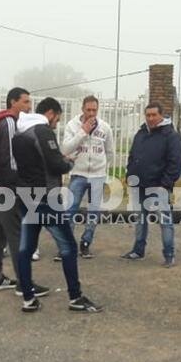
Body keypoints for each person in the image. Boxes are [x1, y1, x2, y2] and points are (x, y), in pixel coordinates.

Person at [12, 97, 103, 314]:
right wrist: (69, 163)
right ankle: (75, 297)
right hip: (46, 198)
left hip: (25, 196)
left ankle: (28, 299)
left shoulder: (19, 133)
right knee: (68, 247)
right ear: (51, 113)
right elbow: (55, 164)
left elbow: (36, 162)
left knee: (25, 248)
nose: (56, 124)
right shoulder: (42, 131)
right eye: (57, 119)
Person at [0, 87, 48, 297]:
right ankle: (24, 283)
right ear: (13, 102)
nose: (29, 107)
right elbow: (11, 158)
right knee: (17, 234)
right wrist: (19, 184)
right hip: (7, 186)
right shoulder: (10, 122)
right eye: (25, 102)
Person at [122, 103, 181, 267]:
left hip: (158, 187)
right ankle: (138, 251)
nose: (150, 118)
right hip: (139, 185)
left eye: (153, 115)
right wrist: (130, 175)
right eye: (147, 115)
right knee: (140, 221)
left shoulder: (171, 136)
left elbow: (175, 163)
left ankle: (169, 255)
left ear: (161, 115)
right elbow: (132, 155)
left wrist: (165, 184)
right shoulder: (141, 133)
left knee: (165, 222)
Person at [59, 95, 114, 259]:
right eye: (88, 110)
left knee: (94, 212)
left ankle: (85, 243)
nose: (91, 113)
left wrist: (103, 168)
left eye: (94, 110)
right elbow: (65, 149)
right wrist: (83, 131)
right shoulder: (72, 125)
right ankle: (67, 245)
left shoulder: (105, 127)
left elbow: (109, 152)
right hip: (78, 174)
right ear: (82, 109)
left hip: (98, 175)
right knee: (70, 210)